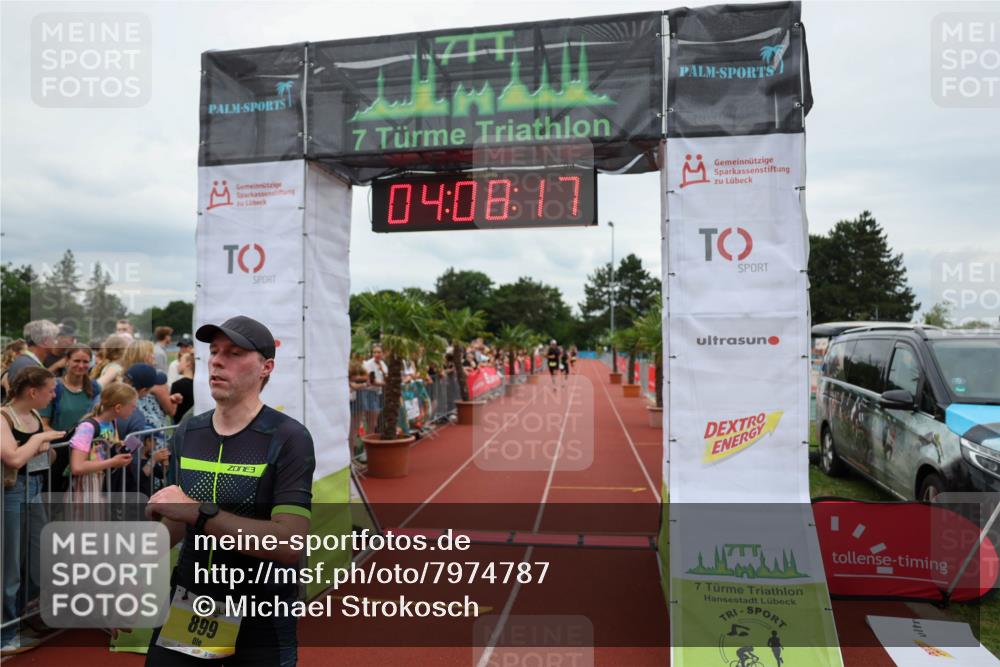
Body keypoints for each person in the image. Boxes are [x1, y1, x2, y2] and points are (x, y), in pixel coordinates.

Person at [144, 315, 315, 665]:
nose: (218, 360)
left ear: (266, 367)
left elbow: (287, 544)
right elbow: (178, 522)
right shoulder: (189, 433)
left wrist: (197, 511)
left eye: (235, 353)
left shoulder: (289, 437)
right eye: (215, 351)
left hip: (260, 611)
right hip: (193, 604)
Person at [1, 367, 64, 655]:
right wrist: (39, 441)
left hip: (34, 489)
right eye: (50, 390)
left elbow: (39, 456)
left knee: (39, 555)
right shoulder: (4, 417)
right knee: (10, 565)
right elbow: (13, 459)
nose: (53, 395)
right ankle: (6, 633)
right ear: (32, 391)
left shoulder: (36, 417)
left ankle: (26, 617)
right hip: (11, 493)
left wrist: (46, 448)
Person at [39, 343, 102, 491]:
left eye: (85, 362)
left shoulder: (94, 387)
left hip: (86, 452)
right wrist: (67, 437)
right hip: (58, 451)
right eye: (77, 361)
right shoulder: (55, 387)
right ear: (67, 361)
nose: (81, 365)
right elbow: (43, 425)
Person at [68, 382, 136, 503]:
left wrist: (118, 447)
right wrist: (112, 462)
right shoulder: (87, 428)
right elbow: (77, 467)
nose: (134, 410)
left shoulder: (112, 422)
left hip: (103, 482)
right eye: (132, 406)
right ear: (118, 407)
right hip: (86, 485)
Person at [4, 320, 59, 388]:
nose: (56, 343)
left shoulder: (24, 362)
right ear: (45, 341)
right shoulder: (28, 367)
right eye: (55, 339)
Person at [362, 345, 388, 435]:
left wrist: (382, 371)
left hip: (378, 393)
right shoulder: (368, 364)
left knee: (374, 422)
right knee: (371, 422)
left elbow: (387, 377)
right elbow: (372, 381)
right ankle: (368, 443)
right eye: (375, 352)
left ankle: (370, 441)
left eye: (379, 352)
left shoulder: (383, 364)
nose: (376, 354)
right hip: (369, 393)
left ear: (382, 353)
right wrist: (386, 383)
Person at [170, 351, 195, 421]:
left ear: (188, 363)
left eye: (180, 361)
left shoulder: (177, 385)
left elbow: (172, 412)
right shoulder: (198, 385)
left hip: (180, 426)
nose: (178, 365)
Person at [0, 339, 26, 404]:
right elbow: (11, 398)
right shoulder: (7, 373)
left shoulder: (10, 370)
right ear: (17, 353)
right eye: (26, 352)